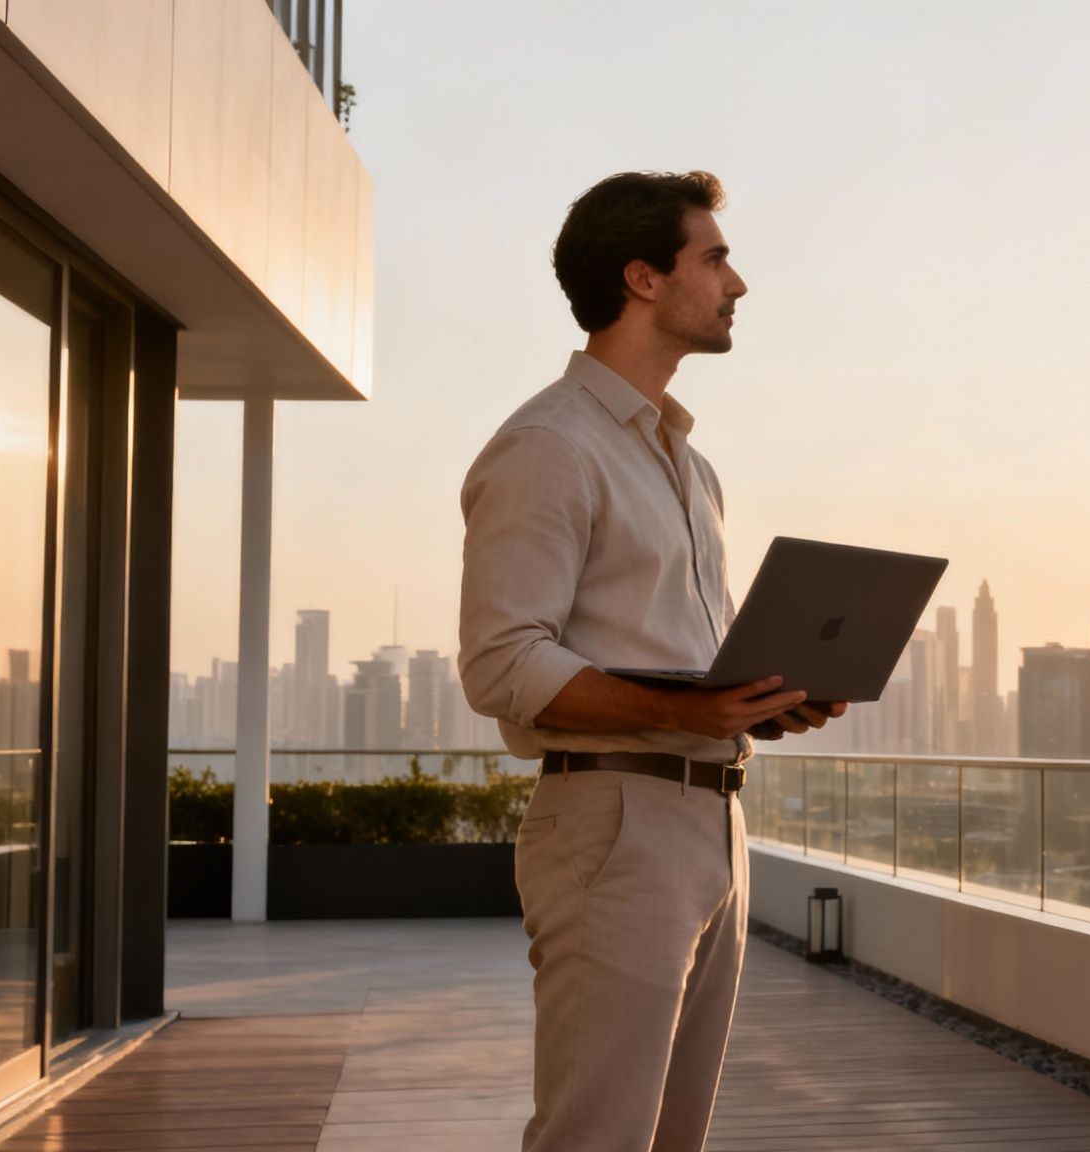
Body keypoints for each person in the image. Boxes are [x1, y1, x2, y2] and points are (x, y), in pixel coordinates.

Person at [458, 170, 843, 1152]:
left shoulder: (685, 464)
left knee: (669, 1139)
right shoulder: (550, 446)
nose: (737, 283)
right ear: (640, 277)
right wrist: (682, 717)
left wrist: (756, 702)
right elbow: (502, 666)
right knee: (599, 1135)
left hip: (710, 823)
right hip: (612, 822)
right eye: (713, 258)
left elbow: (676, 662)